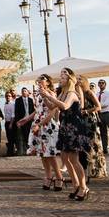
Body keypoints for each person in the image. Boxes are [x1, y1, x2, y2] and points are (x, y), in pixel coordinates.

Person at [42, 68, 91, 201]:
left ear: (69, 79)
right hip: (65, 126)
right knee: (65, 158)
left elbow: (64, 106)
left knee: (74, 159)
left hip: (73, 128)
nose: (60, 79)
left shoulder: (72, 93)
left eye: (63, 77)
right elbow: (53, 107)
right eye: (60, 77)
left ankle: (83, 186)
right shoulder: (62, 93)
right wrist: (44, 97)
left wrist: (49, 95)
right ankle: (75, 184)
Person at [26, 75, 61, 190]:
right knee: (42, 153)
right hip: (37, 124)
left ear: (48, 82)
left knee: (50, 154)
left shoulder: (52, 93)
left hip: (47, 125)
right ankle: (48, 176)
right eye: (39, 79)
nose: (40, 81)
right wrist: (27, 118)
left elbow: (52, 110)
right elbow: (38, 110)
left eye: (43, 79)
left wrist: (45, 95)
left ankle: (59, 177)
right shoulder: (36, 94)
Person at [79, 77, 107, 180]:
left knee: (94, 145)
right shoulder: (78, 93)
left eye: (80, 79)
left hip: (90, 121)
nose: (78, 81)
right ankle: (87, 170)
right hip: (82, 122)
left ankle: (97, 170)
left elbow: (98, 107)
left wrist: (87, 111)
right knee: (84, 146)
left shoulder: (89, 92)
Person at [95, 80, 109, 155]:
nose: (101, 84)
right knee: (103, 132)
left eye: (102, 83)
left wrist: (97, 106)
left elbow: (106, 104)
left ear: (105, 84)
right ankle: (105, 149)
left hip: (107, 114)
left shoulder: (108, 94)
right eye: (99, 83)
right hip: (100, 114)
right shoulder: (96, 94)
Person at [14, 87, 35, 156]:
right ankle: (24, 149)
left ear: (27, 92)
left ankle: (29, 149)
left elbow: (32, 110)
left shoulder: (30, 100)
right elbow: (16, 111)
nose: (24, 92)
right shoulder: (18, 100)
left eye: (25, 91)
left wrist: (33, 119)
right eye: (22, 91)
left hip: (30, 120)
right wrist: (18, 121)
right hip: (22, 120)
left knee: (29, 134)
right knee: (23, 135)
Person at [3, 91, 17, 156]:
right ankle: (10, 151)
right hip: (6, 122)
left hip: (11, 123)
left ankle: (11, 152)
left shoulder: (13, 104)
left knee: (11, 137)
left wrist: (11, 124)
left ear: (11, 97)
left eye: (9, 96)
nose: (8, 97)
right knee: (8, 137)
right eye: (6, 96)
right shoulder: (5, 104)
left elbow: (13, 115)